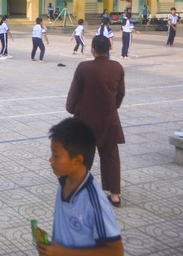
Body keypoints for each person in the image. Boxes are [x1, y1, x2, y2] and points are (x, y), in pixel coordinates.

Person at [38, 117, 123, 256]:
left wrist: (64, 253)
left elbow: (116, 251)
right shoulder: (64, 181)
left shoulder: (94, 201)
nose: (50, 160)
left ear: (77, 160)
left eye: (56, 155)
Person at [66, 35, 125, 207]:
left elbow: (74, 93)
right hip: (109, 118)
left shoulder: (84, 68)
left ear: (92, 50)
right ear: (110, 49)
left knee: (83, 156)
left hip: (86, 119)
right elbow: (120, 93)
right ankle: (115, 194)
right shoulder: (117, 67)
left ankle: (77, 190)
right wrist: (112, 107)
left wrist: (72, 108)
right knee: (111, 156)